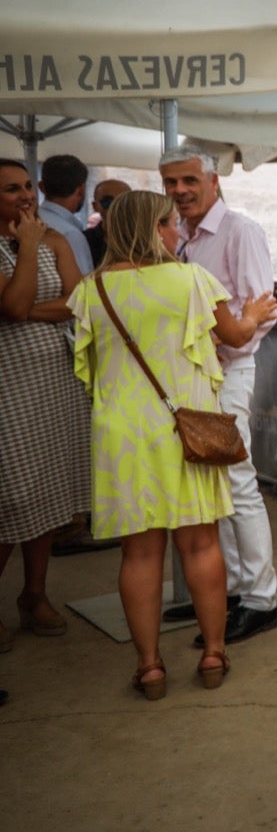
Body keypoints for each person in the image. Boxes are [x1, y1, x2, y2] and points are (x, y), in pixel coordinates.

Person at [68, 191, 277, 699]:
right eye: (168, 224)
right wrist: (251, 313)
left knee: (139, 555)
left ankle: (150, 665)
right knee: (200, 542)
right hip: (184, 429)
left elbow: (89, 369)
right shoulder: (189, 281)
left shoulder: (91, 290)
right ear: (155, 229)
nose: (174, 232)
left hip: (122, 433)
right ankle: (212, 652)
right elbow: (232, 335)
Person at [157, 146, 277, 644]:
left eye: (189, 181)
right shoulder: (179, 237)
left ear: (213, 182)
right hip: (200, 377)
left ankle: (260, 599)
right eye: (171, 183)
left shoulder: (240, 231)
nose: (181, 191)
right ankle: (230, 591)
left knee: (238, 481)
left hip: (230, 371)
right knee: (216, 487)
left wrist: (223, 341)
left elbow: (262, 311)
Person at [0, 158, 91, 649]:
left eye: (26, 187)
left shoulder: (54, 239)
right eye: (11, 190)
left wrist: (28, 308)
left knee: (47, 495)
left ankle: (34, 595)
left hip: (55, 384)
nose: (24, 197)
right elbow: (11, 305)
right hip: (9, 388)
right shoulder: (38, 243)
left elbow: (79, 301)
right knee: (12, 494)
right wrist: (29, 250)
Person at [37, 154, 94, 276]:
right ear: (81, 189)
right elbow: (82, 286)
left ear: (41, 187)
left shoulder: (29, 220)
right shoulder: (70, 233)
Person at [84, 178, 130, 267]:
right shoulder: (84, 240)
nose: (115, 207)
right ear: (95, 206)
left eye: (123, 201)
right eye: (108, 202)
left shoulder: (144, 239)